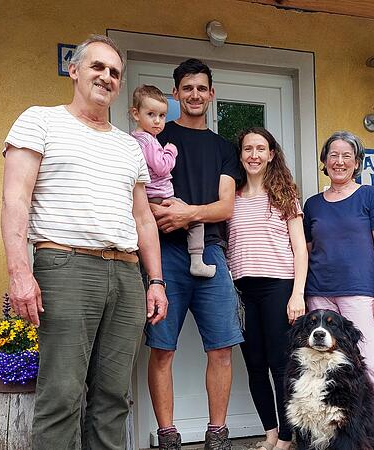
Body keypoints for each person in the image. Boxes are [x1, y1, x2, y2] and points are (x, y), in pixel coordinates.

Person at [0, 34, 168, 450]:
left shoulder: (129, 146)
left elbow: (143, 217)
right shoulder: (40, 120)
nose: (106, 77)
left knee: (113, 397)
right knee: (62, 394)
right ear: (74, 70)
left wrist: (157, 280)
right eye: (97, 67)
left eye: (114, 72)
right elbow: (14, 199)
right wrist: (19, 271)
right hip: (66, 267)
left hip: (127, 274)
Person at [145, 58, 243, 450]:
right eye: (188, 88)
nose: (195, 95)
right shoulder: (155, 139)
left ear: (211, 94)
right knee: (161, 346)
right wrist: (162, 213)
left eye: (202, 88)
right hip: (164, 255)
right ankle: (168, 435)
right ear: (175, 94)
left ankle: (217, 434)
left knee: (221, 347)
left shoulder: (223, 148)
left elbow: (225, 207)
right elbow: (137, 196)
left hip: (212, 254)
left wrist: (187, 213)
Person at [301, 130, 374, 421]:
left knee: (368, 362)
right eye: (333, 155)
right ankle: (334, 429)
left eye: (346, 156)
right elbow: (305, 251)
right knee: (323, 363)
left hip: (359, 292)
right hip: (319, 292)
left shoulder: (371, 196)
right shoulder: (313, 204)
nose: (339, 161)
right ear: (324, 161)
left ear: (356, 162)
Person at [227, 128, 308, 450]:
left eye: (261, 149)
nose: (254, 155)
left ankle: (288, 437)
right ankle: (271, 433)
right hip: (242, 291)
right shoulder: (230, 197)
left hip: (278, 287)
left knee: (280, 365)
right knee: (255, 366)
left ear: (271, 154)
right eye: (248, 149)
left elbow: (300, 249)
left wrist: (297, 294)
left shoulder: (285, 197)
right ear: (241, 154)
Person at [129, 84, 216, 277]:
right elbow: (161, 167)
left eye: (161, 116)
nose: (158, 121)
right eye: (151, 114)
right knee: (194, 220)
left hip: (147, 197)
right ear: (136, 114)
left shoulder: (133, 139)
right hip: (159, 196)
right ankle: (197, 260)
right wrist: (171, 151)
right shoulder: (149, 141)